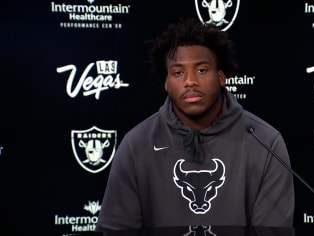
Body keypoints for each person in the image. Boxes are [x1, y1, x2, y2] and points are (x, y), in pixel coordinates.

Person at [96, 17, 294, 232]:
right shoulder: (136, 144)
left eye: (201, 70)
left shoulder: (266, 142)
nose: (190, 81)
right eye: (178, 72)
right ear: (167, 83)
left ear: (220, 77)